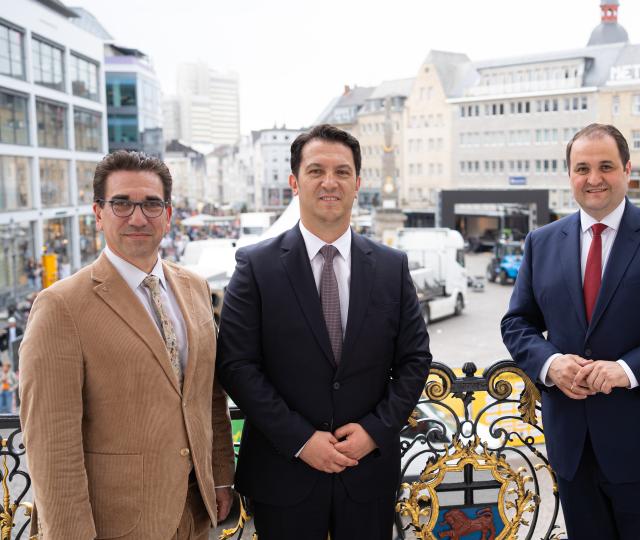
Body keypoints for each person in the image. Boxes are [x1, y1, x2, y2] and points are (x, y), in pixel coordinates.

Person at [501, 123, 640, 538]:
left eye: (606, 166)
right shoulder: (540, 242)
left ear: (627, 170)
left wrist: (628, 369)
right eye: (582, 168)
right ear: (569, 174)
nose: (594, 178)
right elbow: (517, 323)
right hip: (574, 447)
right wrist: (550, 364)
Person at [216, 124, 431, 539]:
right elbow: (236, 364)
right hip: (284, 474)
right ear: (295, 182)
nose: (329, 182)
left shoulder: (392, 266)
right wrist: (300, 439)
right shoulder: (255, 266)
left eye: (342, 172)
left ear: (358, 184)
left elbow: (415, 360)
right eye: (316, 171)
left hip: (368, 473)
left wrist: (374, 431)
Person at [18, 150, 235, 539]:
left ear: (168, 215)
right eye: (121, 204)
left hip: (194, 515)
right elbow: (51, 445)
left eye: (151, 204)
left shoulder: (196, 287)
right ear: (98, 214)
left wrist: (219, 476)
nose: (138, 218)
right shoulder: (60, 307)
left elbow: (208, 396)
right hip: (116, 525)